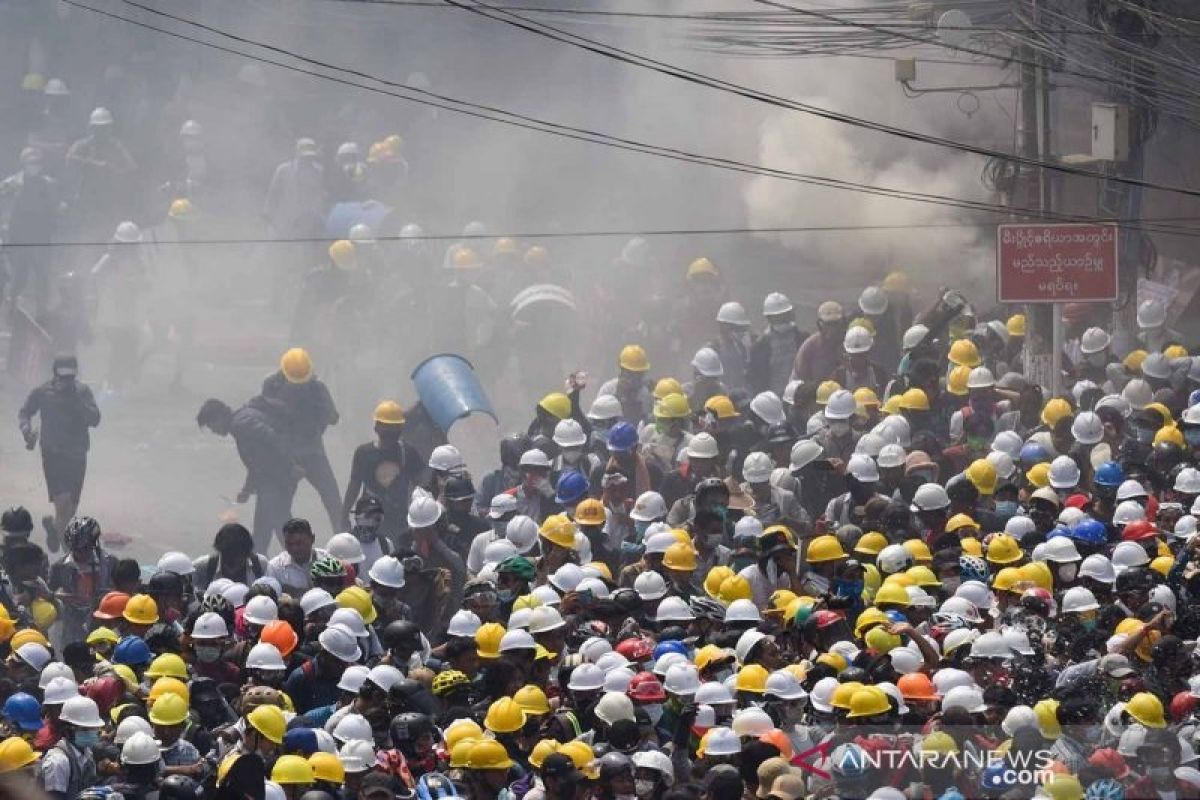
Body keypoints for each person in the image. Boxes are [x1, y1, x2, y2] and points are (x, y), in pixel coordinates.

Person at [18, 354, 100, 553]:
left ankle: (55, 527)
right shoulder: (43, 392)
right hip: (53, 455)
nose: (66, 381)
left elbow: (95, 419)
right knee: (62, 504)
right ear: (55, 374)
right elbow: (25, 412)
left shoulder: (82, 392)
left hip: (78, 455)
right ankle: (68, 556)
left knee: (70, 510)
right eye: (62, 377)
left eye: (70, 377)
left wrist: (77, 402)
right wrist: (27, 430)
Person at [197, 395, 300, 552]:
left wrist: (292, 465)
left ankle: (300, 560)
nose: (214, 431)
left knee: (280, 523)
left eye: (212, 426)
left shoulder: (242, 424)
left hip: (276, 480)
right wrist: (247, 490)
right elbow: (256, 463)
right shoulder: (242, 421)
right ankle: (260, 565)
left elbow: (272, 437)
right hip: (271, 480)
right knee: (263, 530)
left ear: (219, 417)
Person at [262, 348, 343, 535]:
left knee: (333, 500)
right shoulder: (271, 385)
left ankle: (343, 540)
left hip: (313, 451)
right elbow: (264, 416)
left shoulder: (316, 387)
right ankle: (291, 544)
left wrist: (313, 407)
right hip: (285, 454)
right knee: (281, 504)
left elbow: (333, 417)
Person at [343, 401, 423, 547]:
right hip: (370, 520)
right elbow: (354, 485)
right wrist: (344, 514)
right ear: (376, 428)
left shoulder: (409, 453)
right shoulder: (364, 453)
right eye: (386, 427)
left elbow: (421, 486)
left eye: (393, 428)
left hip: (399, 520)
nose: (389, 433)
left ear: (400, 429)